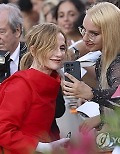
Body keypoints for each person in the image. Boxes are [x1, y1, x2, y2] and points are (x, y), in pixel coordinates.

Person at [63, 2, 120, 131]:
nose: (85, 38)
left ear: (111, 33)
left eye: (94, 34)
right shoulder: (104, 58)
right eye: (84, 30)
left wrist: (91, 94)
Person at [0, 23, 69, 154]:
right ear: (33, 50)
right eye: (51, 47)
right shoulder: (21, 85)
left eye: (62, 48)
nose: (59, 54)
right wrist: (43, 147)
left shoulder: (51, 83)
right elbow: (2, 130)